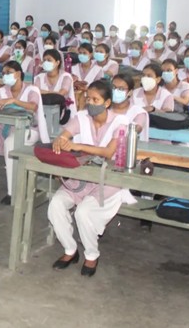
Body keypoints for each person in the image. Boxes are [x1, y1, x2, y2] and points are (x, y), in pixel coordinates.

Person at [47, 80, 135, 277]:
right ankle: (70, 250)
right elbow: (64, 135)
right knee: (55, 205)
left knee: (83, 212)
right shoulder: (81, 118)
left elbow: (108, 152)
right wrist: (60, 141)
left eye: (95, 99)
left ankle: (92, 255)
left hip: (108, 180)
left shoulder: (120, 122)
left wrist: (78, 147)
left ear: (106, 103)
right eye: (88, 98)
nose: (90, 103)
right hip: (81, 179)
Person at [0, 61, 49, 205]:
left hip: (29, 130)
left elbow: (33, 107)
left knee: (10, 143)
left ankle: (13, 192)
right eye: (3, 73)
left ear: (18, 74)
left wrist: (14, 101)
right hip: (6, 128)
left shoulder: (31, 90)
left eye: (9, 72)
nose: (5, 75)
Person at [110, 74, 150, 141]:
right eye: (113, 87)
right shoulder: (104, 108)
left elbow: (135, 130)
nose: (116, 91)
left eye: (121, 89)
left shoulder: (138, 112)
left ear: (130, 92)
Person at [34, 49, 76, 113]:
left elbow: (61, 94)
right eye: (44, 60)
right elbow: (36, 92)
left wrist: (44, 92)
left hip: (63, 113)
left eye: (49, 60)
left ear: (57, 62)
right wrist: (52, 93)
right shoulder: (39, 77)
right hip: (42, 112)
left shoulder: (66, 77)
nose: (46, 62)